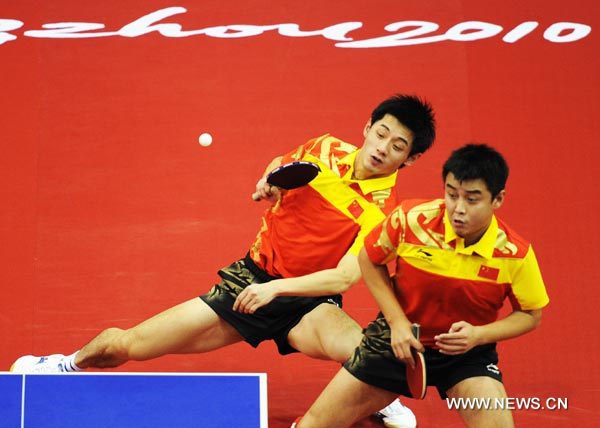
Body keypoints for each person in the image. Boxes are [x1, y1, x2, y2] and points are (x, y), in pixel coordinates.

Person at [11, 94, 435, 428]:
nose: (382, 148)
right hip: (246, 281)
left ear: (410, 159)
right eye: (380, 133)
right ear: (367, 127)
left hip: (307, 303)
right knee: (123, 346)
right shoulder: (324, 148)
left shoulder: (384, 212)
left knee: (370, 355)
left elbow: (343, 279)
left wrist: (275, 290)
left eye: (397, 146)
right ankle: (65, 363)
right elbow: (282, 167)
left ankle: (383, 396)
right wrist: (267, 184)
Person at [294, 144, 550, 428]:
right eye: (451, 195)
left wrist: (478, 335)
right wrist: (398, 323)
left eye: (472, 199)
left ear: (497, 199)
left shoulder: (515, 253)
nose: (459, 209)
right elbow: (369, 259)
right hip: (395, 342)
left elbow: (530, 315)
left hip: (466, 356)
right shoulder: (410, 219)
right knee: (313, 424)